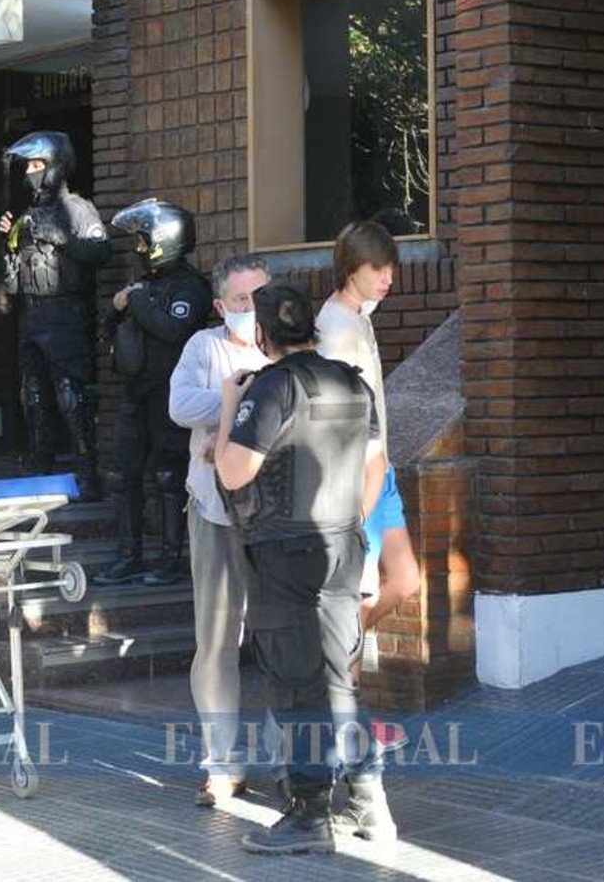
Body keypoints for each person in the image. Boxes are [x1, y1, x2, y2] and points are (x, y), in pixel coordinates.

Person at [215, 285, 394, 855]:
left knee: (297, 685)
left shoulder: (272, 388)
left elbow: (235, 472)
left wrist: (227, 409)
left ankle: (310, 813)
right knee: (337, 677)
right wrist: (348, 526)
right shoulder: (350, 382)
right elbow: (375, 466)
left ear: (263, 334)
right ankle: (370, 802)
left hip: (284, 554)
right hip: (342, 547)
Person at [168, 253, 274, 805]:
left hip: (277, 516)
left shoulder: (286, 345)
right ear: (219, 306)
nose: (251, 309)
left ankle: (289, 763)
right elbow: (180, 405)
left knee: (281, 640)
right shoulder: (203, 348)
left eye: (259, 296)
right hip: (213, 510)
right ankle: (222, 763)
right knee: (216, 641)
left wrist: (235, 413)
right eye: (239, 300)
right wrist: (241, 398)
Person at [316, 221, 422, 677]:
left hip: (382, 470)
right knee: (362, 591)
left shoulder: (356, 314)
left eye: (390, 267)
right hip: (359, 476)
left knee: (404, 580)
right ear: (350, 268)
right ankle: (345, 707)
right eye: (377, 268)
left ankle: (338, 659)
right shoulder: (336, 327)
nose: (388, 277)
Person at [95, 198, 211, 586]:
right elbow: (109, 327)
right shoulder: (143, 285)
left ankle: (172, 557)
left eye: (145, 242)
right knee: (124, 474)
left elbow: (171, 328)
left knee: (168, 474)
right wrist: (116, 308)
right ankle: (128, 555)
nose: (140, 250)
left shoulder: (190, 287)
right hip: (136, 392)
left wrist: (137, 299)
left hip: (169, 394)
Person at [0, 131, 110, 500]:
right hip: (30, 314)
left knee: (69, 393)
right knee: (32, 394)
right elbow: (13, 277)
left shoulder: (77, 208)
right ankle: (39, 467)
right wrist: (9, 244)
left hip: (64, 312)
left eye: (36, 165)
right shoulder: (28, 216)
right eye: (27, 166)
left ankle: (87, 471)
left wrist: (59, 235)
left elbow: (99, 250)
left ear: (56, 166)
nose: (29, 172)